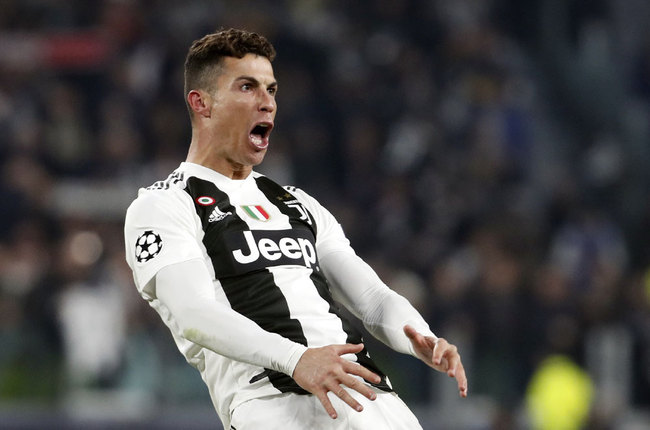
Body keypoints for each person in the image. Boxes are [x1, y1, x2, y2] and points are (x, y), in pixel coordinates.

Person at [124, 28, 467, 430]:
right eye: (247, 87)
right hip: (272, 403)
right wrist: (296, 359)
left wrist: (419, 337)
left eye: (271, 90)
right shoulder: (163, 206)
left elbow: (372, 299)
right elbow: (194, 315)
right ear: (202, 104)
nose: (266, 102)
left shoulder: (297, 203)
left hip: (369, 397)